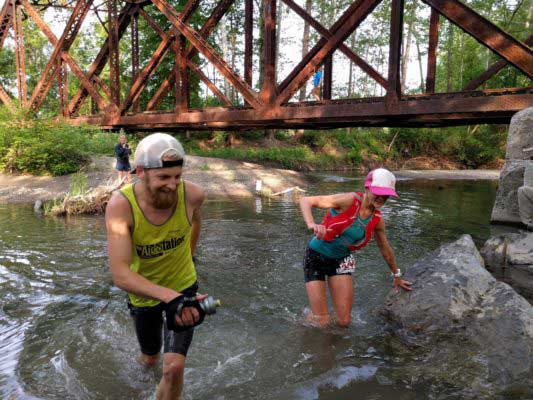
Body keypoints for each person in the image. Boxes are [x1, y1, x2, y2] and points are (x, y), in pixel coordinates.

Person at [105, 133, 206, 400]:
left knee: (174, 368)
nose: (173, 185)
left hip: (183, 288)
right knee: (150, 359)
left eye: (177, 176)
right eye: (164, 177)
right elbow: (120, 273)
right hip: (144, 296)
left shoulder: (194, 195)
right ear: (141, 172)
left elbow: (196, 221)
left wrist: (190, 256)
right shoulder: (121, 206)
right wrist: (167, 297)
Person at [299, 168, 412, 328]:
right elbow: (306, 201)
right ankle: (306, 321)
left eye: (386, 194)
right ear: (367, 188)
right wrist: (311, 224)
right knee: (322, 321)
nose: (381, 198)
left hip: (340, 261)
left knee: (344, 322)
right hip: (316, 256)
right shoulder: (348, 200)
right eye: (378, 192)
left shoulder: (377, 221)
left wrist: (397, 275)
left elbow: (385, 249)